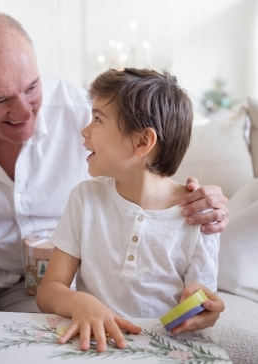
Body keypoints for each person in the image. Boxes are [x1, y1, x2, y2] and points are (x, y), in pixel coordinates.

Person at [0, 13, 228, 364]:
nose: (24, 112)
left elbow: (146, 155)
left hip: (37, 286)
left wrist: (200, 200)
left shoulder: (81, 109)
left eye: (32, 88)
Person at [37, 68, 223, 352]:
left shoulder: (200, 216)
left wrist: (201, 308)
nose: (84, 130)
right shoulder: (84, 199)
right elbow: (49, 290)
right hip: (93, 346)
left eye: (98, 119)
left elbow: (201, 301)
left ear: (142, 142)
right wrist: (79, 301)